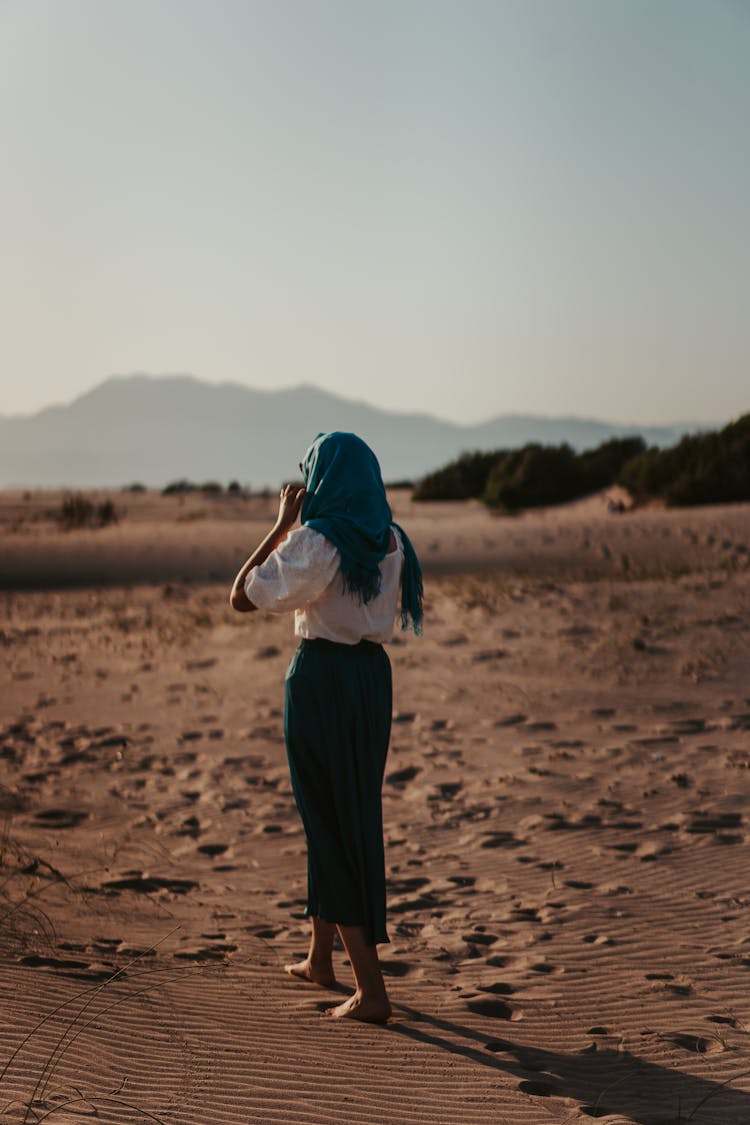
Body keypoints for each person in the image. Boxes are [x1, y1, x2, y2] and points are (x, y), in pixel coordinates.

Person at [229, 432, 423, 1023]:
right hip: (370, 683)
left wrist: (281, 523)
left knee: (328, 819)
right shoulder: (390, 538)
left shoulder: (317, 540)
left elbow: (242, 595)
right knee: (346, 812)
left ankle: (372, 989)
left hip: (321, 683)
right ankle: (321, 959)